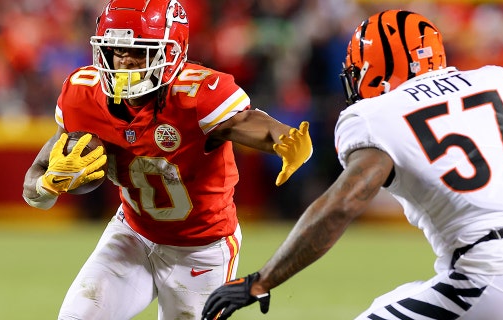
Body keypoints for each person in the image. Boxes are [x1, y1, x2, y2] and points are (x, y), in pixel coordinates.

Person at [202, 9, 503, 320]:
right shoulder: (493, 81)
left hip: (488, 279)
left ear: (371, 69)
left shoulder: (375, 115)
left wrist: (262, 280)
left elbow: (342, 205)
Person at [21, 0, 312, 319]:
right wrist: (48, 187)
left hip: (203, 251)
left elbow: (246, 121)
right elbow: (33, 183)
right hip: (132, 234)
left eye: (138, 51)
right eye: (116, 50)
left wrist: (285, 140)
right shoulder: (83, 94)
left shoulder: (197, 95)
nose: (124, 62)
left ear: (171, 53)